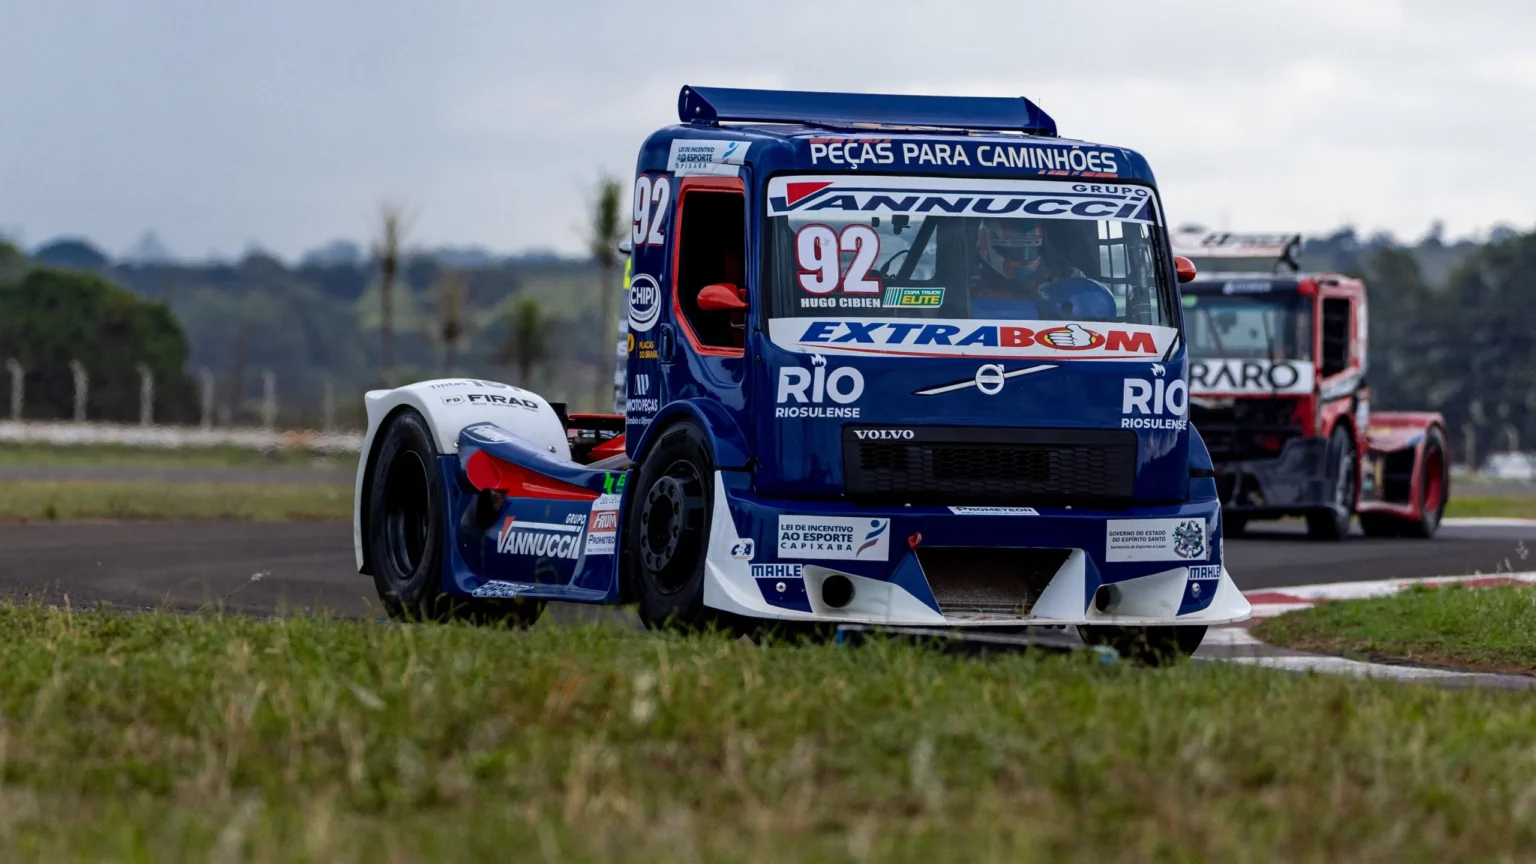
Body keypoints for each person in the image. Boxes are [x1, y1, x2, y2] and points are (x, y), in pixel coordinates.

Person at [969, 218, 1114, 321]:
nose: (1024, 258)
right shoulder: (965, 279)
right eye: (1014, 251)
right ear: (985, 244)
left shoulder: (1066, 275)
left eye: (1031, 249)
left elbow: (1089, 312)